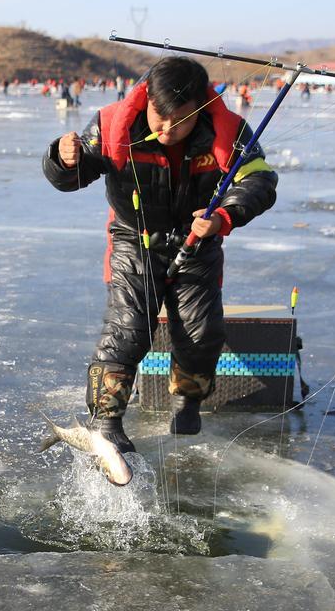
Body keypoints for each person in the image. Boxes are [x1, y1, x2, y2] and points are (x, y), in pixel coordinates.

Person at [40, 56, 278, 457]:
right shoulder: (113, 123)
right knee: (128, 328)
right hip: (135, 239)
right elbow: (73, 177)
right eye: (160, 117)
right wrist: (62, 159)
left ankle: (188, 398)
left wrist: (223, 217)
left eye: (181, 121)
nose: (168, 129)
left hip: (198, 242)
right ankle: (106, 419)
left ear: (200, 108)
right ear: (147, 98)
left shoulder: (229, 130)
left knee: (201, 333)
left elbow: (260, 180)